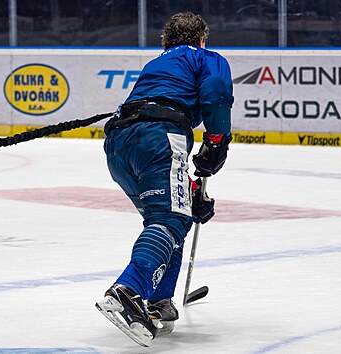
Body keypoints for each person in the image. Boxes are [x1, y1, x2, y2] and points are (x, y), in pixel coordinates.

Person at [95, 12, 234, 347]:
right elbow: (215, 93)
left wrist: (189, 190)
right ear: (202, 38)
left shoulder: (157, 65)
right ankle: (128, 291)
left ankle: (158, 301)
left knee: (175, 216)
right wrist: (216, 142)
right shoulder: (204, 58)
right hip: (158, 136)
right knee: (169, 218)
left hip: (119, 146)